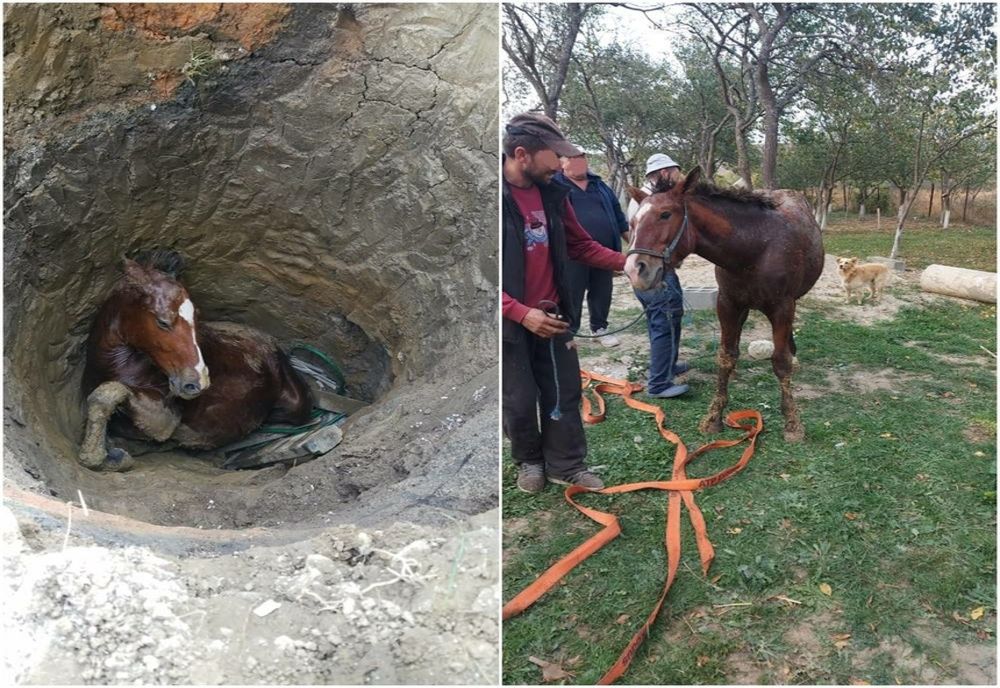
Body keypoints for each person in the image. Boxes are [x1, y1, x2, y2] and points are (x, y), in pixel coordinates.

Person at [502, 113, 627, 494]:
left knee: (564, 391)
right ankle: (530, 461)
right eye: (554, 156)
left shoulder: (554, 193)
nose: (561, 164)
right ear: (523, 154)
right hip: (510, 323)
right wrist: (521, 314)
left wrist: (629, 263)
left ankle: (567, 465)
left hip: (554, 315)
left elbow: (579, 244)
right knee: (519, 397)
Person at [626, 153, 690, 399]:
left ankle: (668, 366)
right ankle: (659, 384)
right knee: (663, 322)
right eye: (676, 172)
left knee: (670, 319)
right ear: (664, 173)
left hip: (658, 269)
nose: (679, 176)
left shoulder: (646, 199)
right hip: (654, 273)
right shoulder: (651, 201)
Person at [553, 153, 629, 347]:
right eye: (571, 159)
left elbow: (619, 218)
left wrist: (633, 245)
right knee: (571, 293)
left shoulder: (601, 186)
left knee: (602, 290)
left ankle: (600, 329)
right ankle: (570, 332)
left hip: (604, 252)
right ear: (561, 163)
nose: (578, 163)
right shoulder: (555, 186)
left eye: (581, 159)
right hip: (571, 254)